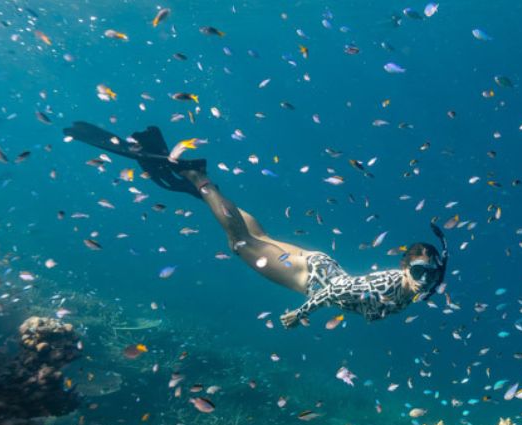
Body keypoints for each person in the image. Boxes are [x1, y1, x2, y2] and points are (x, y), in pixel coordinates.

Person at [62, 122, 448, 328]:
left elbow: (427, 272)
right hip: (310, 277)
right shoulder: (389, 282)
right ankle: (199, 179)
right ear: (403, 267)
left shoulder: (422, 285)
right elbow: (339, 291)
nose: (426, 279)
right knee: (240, 242)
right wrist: (302, 313)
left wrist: (434, 269)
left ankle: (203, 191)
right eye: (418, 271)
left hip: (318, 266)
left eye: (430, 273)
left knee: (256, 236)